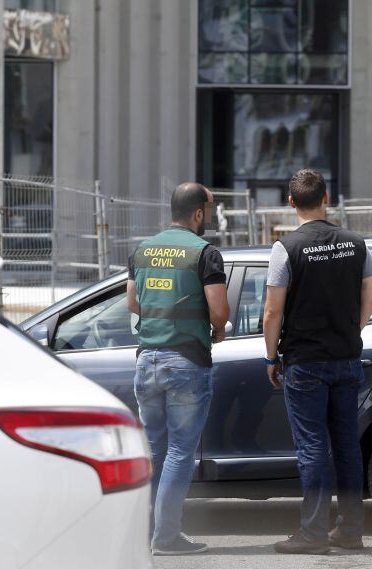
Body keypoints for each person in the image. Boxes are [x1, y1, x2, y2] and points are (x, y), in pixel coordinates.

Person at [263, 169, 372, 555]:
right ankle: (351, 531)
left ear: (291, 202)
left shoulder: (286, 248)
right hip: (347, 358)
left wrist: (270, 355)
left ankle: (313, 534)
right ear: (327, 199)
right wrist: (352, 332)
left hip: (305, 361)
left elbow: (271, 312)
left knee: (312, 447)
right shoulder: (356, 243)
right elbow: (371, 299)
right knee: (347, 445)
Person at [127, 183, 230, 555]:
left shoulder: (142, 249)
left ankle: (147, 534)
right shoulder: (205, 253)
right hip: (186, 361)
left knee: (154, 451)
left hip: (147, 361)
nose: (210, 219)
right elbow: (219, 312)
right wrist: (217, 331)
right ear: (198, 213)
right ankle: (166, 538)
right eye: (209, 212)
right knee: (180, 452)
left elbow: (133, 303)